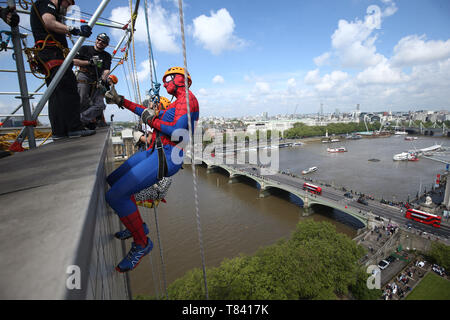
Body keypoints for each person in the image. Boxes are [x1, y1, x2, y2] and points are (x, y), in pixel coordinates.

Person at [104, 67, 199, 273]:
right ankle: (138, 227)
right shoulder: (177, 103)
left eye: (168, 80)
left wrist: (151, 120)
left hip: (167, 156)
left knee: (116, 196)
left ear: (179, 80)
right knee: (114, 179)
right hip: (157, 151)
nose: (164, 85)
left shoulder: (188, 101)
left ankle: (141, 243)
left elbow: (176, 132)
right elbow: (145, 112)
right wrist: (121, 101)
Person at [30, 0, 95, 140]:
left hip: (50, 54)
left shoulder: (43, 5)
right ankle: (73, 128)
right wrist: (73, 29)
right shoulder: (46, 3)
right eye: (67, 3)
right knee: (69, 89)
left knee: (56, 93)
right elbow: (48, 22)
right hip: (52, 53)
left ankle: (59, 131)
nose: (67, 8)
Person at [73, 33, 112, 129]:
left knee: (100, 105)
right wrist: (89, 62)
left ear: (106, 45)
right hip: (84, 76)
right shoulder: (85, 49)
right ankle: (81, 123)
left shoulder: (107, 56)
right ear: (96, 39)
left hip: (97, 80)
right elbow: (73, 61)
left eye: (103, 42)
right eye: (99, 39)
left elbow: (106, 69)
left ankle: (80, 120)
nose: (100, 42)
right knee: (82, 100)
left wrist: (103, 79)